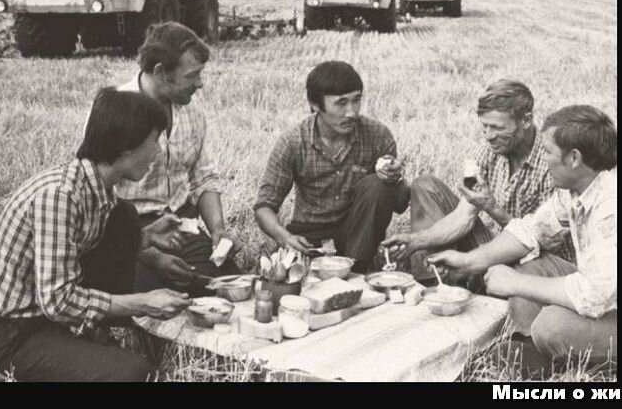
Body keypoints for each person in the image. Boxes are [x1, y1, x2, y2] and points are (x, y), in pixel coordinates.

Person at [0, 88, 191, 382]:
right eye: (154, 140)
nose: (158, 151)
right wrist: (143, 302)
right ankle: (8, 369)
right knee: (136, 375)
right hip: (15, 331)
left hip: (48, 317)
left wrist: (145, 238)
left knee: (126, 217)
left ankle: (84, 338)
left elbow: (86, 249)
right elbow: (58, 300)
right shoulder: (60, 196)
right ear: (127, 147)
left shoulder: (98, 186)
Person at [428, 105, 617, 376]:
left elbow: (595, 296)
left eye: (548, 152)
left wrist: (515, 283)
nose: (544, 159)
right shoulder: (579, 188)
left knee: (551, 325)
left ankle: (549, 356)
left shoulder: (611, 206)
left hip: (606, 300)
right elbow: (531, 232)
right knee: (530, 261)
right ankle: (527, 346)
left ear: (574, 158)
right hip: (604, 291)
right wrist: (469, 261)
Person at [382, 79, 574, 286]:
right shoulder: (489, 152)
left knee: (524, 265)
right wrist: (416, 240)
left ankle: (479, 282)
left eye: (497, 127)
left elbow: (540, 240)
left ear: (526, 120)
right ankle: (433, 284)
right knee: (426, 185)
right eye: (484, 126)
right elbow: (462, 218)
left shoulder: (552, 162)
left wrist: (492, 208)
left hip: (541, 260)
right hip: (499, 247)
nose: (489, 136)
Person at [112, 22, 241, 295]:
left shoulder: (192, 113)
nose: (200, 84)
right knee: (148, 305)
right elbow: (98, 200)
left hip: (182, 225)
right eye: (192, 75)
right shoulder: (116, 111)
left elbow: (203, 178)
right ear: (161, 72)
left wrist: (218, 230)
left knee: (229, 291)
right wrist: (151, 255)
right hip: (127, 232)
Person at [253, 61, 410, 273]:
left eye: (356, 100)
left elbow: (399, 203)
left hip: (357, 234)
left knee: (377, 185)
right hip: (309, 236)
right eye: (341, 103)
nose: (352, 112)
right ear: (315, 104)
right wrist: (285, 238)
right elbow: (264, 206)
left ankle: (357, 269)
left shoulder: (377, 135)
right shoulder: (293, 142)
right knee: (288, 279)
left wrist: (394, 178)